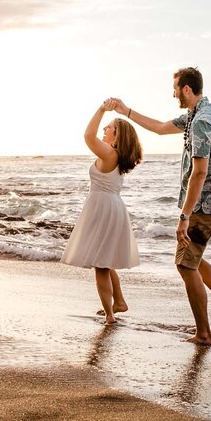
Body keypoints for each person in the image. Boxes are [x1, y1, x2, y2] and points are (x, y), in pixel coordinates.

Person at [108, 68, 211, 345]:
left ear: (186, 89)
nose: (172, 93)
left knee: (185, 265)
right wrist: (125, 110)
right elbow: (159, 128)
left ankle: (204, 334)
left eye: (175, 88)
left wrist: (184, 216)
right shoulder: (195, 115)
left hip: (206, 203)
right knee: (191, 259)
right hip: (205, 200)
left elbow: (200, 172)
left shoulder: (203, 121)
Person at [60, 100, 144, 325]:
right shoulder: (114, 155)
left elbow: (88, 136)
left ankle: (110, 316)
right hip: (111, 206)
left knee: (100, 264)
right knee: (104, 260)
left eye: (109, 127)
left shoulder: (110, 154)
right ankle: (119, 302)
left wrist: (100, 109)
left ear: (116, 136)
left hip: (105, 208)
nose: (104, 129)